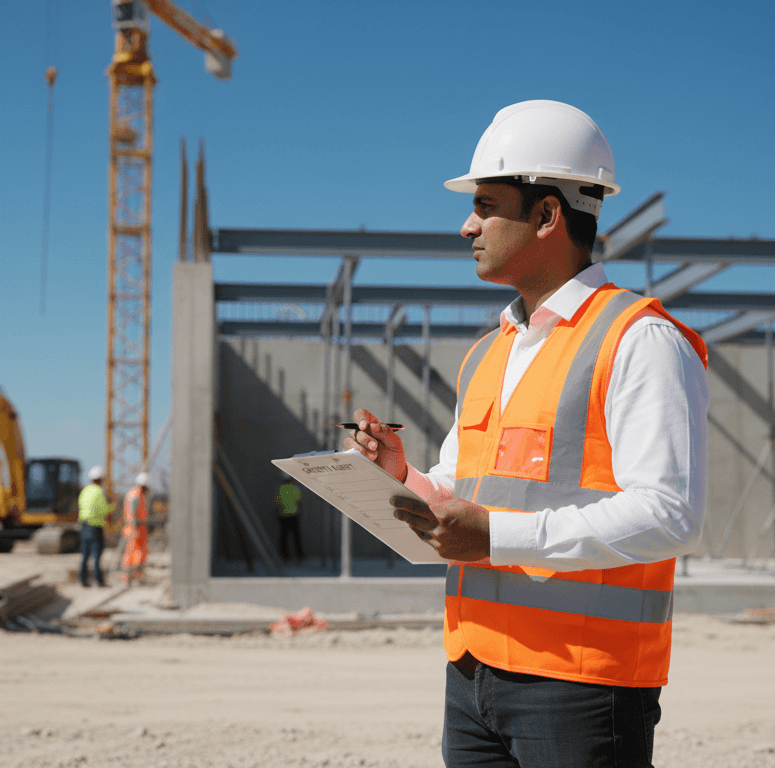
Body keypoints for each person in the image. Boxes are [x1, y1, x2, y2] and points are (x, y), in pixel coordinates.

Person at [345, 100, 709, 767]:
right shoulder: (490, 351)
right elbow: (464, 496)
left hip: (581, 683)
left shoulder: (640, 340)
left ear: (547, 215)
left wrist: (498, 536)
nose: (466, 225)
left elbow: (671, 513)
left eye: (486, 206)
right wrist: (402, 479)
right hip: (473, 668)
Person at [77, 465, 114, 587]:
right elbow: (103, 510)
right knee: (97, 556)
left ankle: (83, 580)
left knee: (85, 556)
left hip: (84, 526)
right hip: (95, 527)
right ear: (100, 479)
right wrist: (113, 507)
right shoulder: (99, 491)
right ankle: (99, 581)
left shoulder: (84, 491)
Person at [120, 472, 151, 584]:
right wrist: (135, 522)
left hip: (133, 527)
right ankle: (135, 576)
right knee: (137, 553)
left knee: (130, 553)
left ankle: (128, 577)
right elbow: (134, 508)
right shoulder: (137, 494)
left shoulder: (131, 493)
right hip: (136, 528)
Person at [274, 474, 304, 562]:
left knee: (283, 537)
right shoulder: (295, 488)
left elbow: (276, 502)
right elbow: (299, 499)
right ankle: (300, 557)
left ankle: (285, 557)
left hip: (283, 515)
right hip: (294, 515)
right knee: (296, 537)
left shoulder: (280, 489)